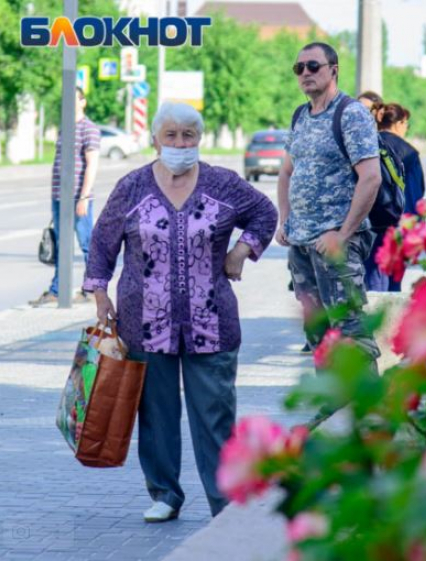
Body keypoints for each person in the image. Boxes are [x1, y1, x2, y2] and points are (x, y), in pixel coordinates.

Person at [83, 102, 278, 522]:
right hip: (143, 321)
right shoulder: (132, 187)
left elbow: (265, 212)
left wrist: (243, 251)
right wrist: (100, 295)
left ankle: (224, 503)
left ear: (199, 139)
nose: (179, 143)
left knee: (215, 413)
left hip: (212, 320)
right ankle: (164, 493)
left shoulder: (222, 184)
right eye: (170, 135)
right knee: (156, 411)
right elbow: (102, 243)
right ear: (155, 139)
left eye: (188, 135)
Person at [276, 42, 382, 423]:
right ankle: (333, 410)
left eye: (313, 66)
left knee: (350, 325)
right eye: (299, 67)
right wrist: (284, 219)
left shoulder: (351, 114)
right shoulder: (300, 116)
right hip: (302, 246)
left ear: (333, 69)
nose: (305, 72)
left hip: (335, 245)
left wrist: (342, 233)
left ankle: (372, 412)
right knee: (318, 332)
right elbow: (287, 171)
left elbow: (370, 178)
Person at [31, 87, 101, 307]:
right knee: (62, 244)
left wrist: (84, 197)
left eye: (73, 100)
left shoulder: (88, 128)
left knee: (87, 243)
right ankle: (57, 290)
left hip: (77, 197)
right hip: (59, 196)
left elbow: (92, 164)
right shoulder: (65, 128)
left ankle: (91, 290)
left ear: (83, 102)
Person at [365, 102, 425, 291]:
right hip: (398, 224)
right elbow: (415, 194)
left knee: (371, 278)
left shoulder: (365, 145)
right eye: (407, 124)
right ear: (399, 123)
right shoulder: (409, 153)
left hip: (367, 222)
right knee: (393, 281)